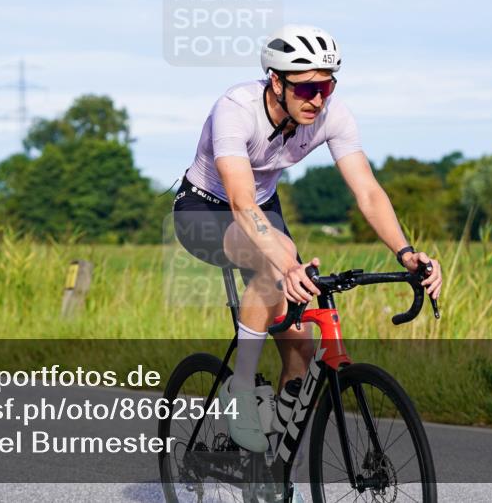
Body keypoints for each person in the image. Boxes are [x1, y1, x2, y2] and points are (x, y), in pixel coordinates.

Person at [172, 24, 443, 465]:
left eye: (327, 85)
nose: (317, 98)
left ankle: (274, 468)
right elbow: (240, 201)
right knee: (272, 266)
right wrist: (285, 264)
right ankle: (240, 390)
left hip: (264, 212)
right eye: (306, 87)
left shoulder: (332, 115)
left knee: (300, 346)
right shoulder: (236, 108)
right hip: (205, 210)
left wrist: (406, 252)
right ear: (276, 81)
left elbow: (368, 193)